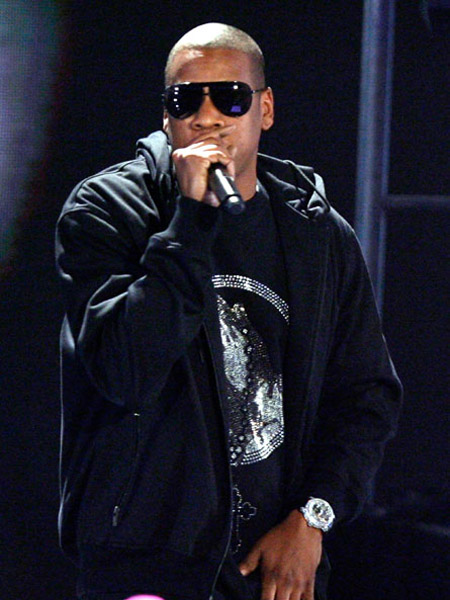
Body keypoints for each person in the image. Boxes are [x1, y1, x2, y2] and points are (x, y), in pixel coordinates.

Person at [55, 22, 402, 600]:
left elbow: (365, 396)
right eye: (186, 100)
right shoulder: (108, 210)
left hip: (273, 570)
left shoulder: (317, 234)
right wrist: (192, 221)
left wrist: (313, 518)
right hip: (147, 568)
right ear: (166, 117)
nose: (208, 116)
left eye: (231, 98)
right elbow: (125, 370)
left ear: (265, 109)